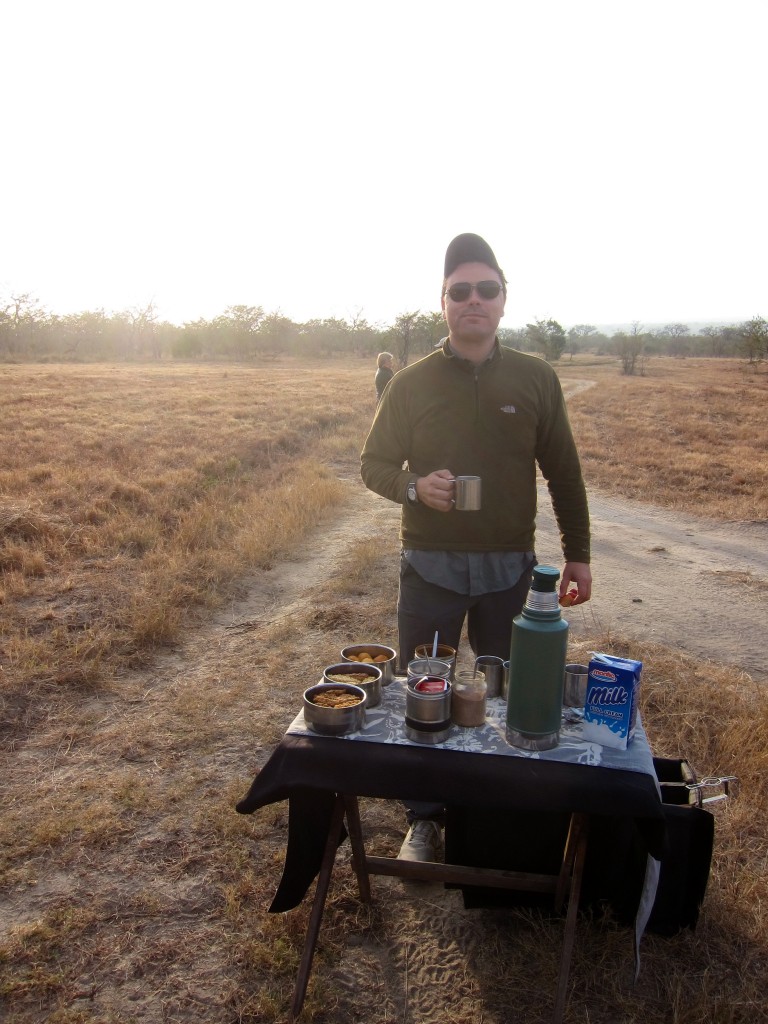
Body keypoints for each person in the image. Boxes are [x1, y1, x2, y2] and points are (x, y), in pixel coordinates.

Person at [360, 232, 592, 862]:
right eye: (459, 291)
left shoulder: (535, 378)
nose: (474, 301)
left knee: (507, 695)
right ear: (442, 302)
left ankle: (494, 819)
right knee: (424, 690)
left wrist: (579, 552)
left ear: (503, 300)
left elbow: (564, 474)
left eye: (486, 290)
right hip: (429, 567)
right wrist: (414, 486)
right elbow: (373, 465)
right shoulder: (409, 384)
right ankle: (425, 820)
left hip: (509, 572)